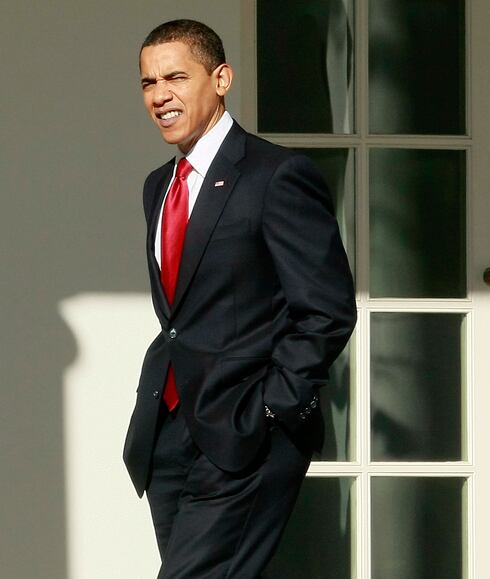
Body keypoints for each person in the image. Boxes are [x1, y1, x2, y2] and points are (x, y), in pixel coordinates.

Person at [122, 19, 356, 578]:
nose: (160, 96)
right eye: (149, 83)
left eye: (176, 77)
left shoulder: (276, 175)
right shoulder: (160, 185)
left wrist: (271, 407)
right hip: (170, 432)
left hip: (244, 432)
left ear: (221, 78)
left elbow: (326, 308)